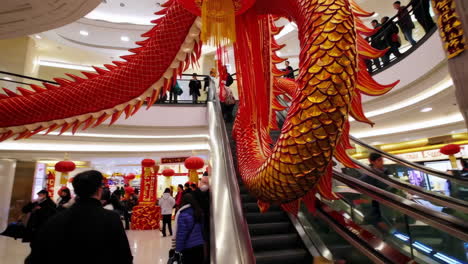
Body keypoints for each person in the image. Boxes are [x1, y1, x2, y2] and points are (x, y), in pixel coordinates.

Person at [27, 170, 133, 264]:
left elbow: (36, 257)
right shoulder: (111, 219)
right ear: (99, 190)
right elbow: (124, 256)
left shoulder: (56, 219)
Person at [174, 194, 205, 264]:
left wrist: (177, 250)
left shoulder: (183, 214)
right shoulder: (199, 212)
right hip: (200, 246)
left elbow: (181, 235)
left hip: (189, 248)